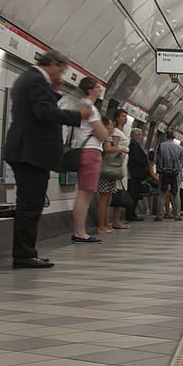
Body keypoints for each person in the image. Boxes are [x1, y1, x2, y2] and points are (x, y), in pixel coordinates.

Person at [4, 50, 92, 268]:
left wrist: (54, 90)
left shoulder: (31, 79)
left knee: (30, 203)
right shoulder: (35, 79)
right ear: (52, 63)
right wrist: (77, 116)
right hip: (30, 152)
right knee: (30, 204)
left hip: (29, 151)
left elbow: (41, 109)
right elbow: (44, 113)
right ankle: (24, 255)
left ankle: (26, 252)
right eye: (60, 70)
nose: (60, 75)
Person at [70, 77, 108, 243]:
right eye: (98, 88)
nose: (100, 90)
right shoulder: (90, 108)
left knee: (84, 192)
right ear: (90, 90)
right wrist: (103, 132)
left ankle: (79, 230)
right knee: (85, 193)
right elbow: (103, 134)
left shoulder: (80, 105)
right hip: (91, 151)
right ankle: (79, 232)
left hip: (82, 150)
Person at [95, 117, 122, 234]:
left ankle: (106, 223)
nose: (113, 127)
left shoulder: (108, 137)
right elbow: (107, 148)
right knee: (104, 198)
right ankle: (101, 225)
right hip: (105, 171)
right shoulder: (105, 137)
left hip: (110, 171)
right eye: (111, 125)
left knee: (108, 198)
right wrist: (120, 149)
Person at [108, 109, 131, 230]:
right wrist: (124, 151)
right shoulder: (116, 132)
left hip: (124, 165)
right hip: (118, 164)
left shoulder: (123, 132)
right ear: (117, 118)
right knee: (116, 192)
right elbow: (115, 148)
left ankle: (117, 220)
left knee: (120, 192)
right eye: (122, 116)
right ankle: (114, 220)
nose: (125, 119)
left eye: (126, 116)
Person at [155, 130, 183, 220]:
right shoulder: (180, 148)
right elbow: (182, 162)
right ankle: (177, 215)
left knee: (162, 193)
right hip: (175, 174)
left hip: (163, 173)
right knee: (175, 194)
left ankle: (159, 215)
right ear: (174, 137)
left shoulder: (161, 146)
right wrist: (179, 169)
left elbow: (157, 159)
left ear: (166, 136)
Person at [126, 127, 154, 221]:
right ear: (136, 135)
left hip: (136, 173)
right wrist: (144, 162)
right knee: (133, 194)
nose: (141, 137)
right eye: (140, 135)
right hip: (135, 173)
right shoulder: (133, 144)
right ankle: (130, 215)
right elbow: (135, 157)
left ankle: (132, 214)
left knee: (135, 194)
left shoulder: (135, 144)